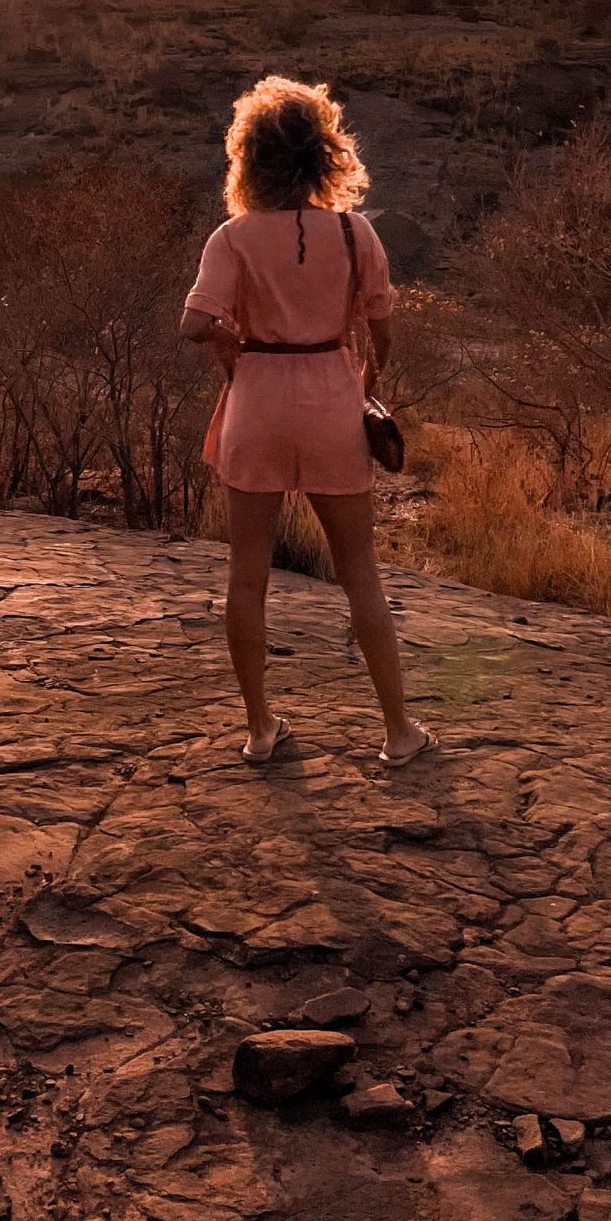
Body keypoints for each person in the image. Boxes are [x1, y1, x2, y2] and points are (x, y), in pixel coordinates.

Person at [181, 74, 435, 769]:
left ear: (250, 157)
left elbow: (193, 322)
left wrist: (233, 342)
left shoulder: (231, 238)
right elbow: (382, 332)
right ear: (326, 153)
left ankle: (261, 730)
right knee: (360, 575)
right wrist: (365, 382)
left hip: (255, 406)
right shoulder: (357, 235)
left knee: (247, 577)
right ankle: (398, 732)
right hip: (330, 404)